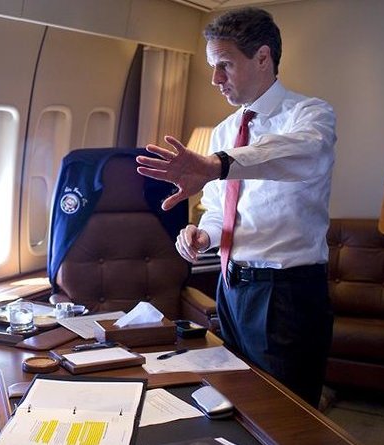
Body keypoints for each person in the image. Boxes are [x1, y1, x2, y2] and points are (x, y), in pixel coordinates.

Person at [135, 7, 336, 408]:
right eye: (213, 67)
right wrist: (203, 234)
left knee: (284, 414)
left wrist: (219, 164)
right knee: (233, 402)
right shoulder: (226, 130)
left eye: (224, 65)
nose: (215, 79)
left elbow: (301, 154)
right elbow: (218, 207)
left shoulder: (309, 115)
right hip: (232, 288)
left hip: (286, 295)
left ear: (263, 57)